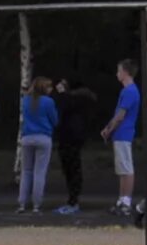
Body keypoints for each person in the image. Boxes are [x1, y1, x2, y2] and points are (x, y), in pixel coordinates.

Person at [52, 75, 93, 215]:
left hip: (70, 138)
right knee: (71, 168)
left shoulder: (72, 100)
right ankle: (73, 198)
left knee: (72, 169)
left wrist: (62, 93)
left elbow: (64, 107)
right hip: (72, 137)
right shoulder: (81, 100)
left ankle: (73, 200)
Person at [15, 75, 57, 213]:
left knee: (26, 171)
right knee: (39, 172)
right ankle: (36, 204)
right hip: (43, 137)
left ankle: (22, 203)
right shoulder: (48, 102)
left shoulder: (26, 100)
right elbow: (54, 120)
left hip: (27, 137)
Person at [105, 60, 142, 216]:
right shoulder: (129, 91)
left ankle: (126, 201)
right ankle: (122, 199)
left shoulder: (129, 91)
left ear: (126, 72)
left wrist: (109, 129)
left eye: (119, 70)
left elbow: (120, 115)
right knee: (122, 168)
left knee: (126, 168)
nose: (117, 74)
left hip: (123, 133)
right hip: (122, 133)